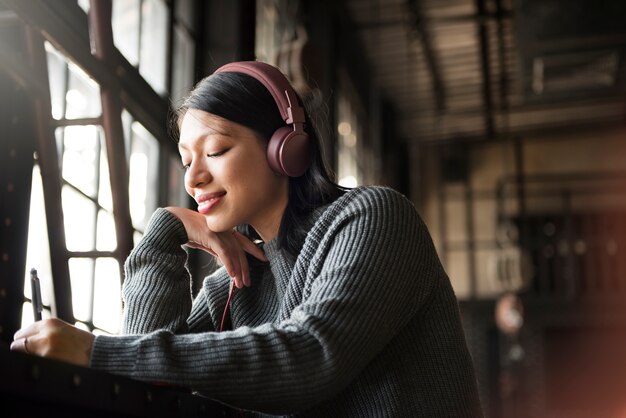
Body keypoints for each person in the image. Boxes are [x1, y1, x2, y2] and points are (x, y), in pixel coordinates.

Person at [11, 61, 483, 417]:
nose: (193, 178)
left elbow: (310, 357)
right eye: (185, 159)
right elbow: (146, 383)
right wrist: (164, 231)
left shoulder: (373, 219)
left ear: (285, 148)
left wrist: (95, 352)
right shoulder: (232, 286)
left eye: (215, 150)